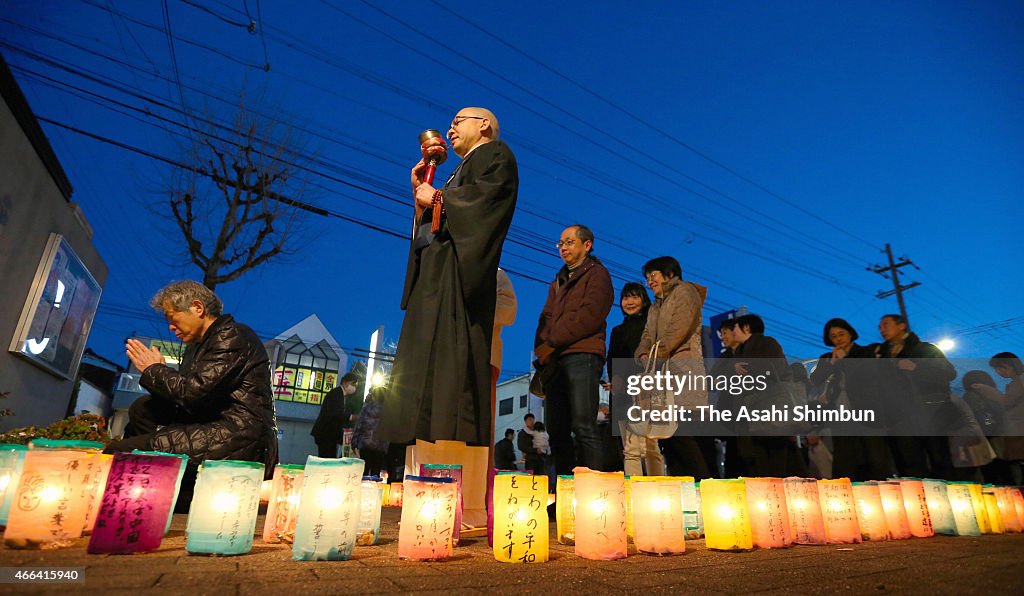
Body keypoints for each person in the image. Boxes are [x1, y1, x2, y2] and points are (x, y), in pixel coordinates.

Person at [380, 107, 518, 446]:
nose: (450, 129)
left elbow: (486, 203)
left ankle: (448, 460)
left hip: (456, 279)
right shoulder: (457, 169)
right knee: (423, 370)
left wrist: (440, 198)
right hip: (436, 277)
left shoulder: (495, 155)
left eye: (457, 122)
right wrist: (421, 201)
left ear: (484, 124)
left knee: (450, 370)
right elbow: (435, 227)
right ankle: (418, 451)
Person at [109, 280, 278, 483]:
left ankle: (142, 479)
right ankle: (146, 477)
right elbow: (190, 395)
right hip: (213, 425)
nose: (171, 327)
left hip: (238, 435)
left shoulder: (231, 335)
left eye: (172, 318)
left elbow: (192, 394)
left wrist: (155, 370)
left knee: (116, 452)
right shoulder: (202, 344)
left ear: (197, 308)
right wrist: (159, 373)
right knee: (142, 408)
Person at [533, 224, 614, 474]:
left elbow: (590, 315)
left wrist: (553, 340)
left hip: (583, 354)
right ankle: (565, 496)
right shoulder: (558, 280)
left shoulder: (597, 274)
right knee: (557, 431)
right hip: (555, 360)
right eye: (561, 243)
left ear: (586, 245)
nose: (563, 248)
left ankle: (594, 494)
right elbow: (545, 318)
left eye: (569, 242)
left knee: (583, 425)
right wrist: (542, 348)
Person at [634, 256, 710, 479]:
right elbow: (647, 336)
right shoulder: (656, 305)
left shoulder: (685, 292)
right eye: (647, 277)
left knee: (682, 431)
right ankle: (683, 488)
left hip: (683, 369)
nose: (650, 281)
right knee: (669, 437)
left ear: (669, 274)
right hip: (662, 373)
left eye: (653, 275)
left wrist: (654, 355)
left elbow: (679, 329)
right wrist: (643, 354)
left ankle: (702, 484)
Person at [875, 314, 956, 479]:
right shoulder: (881, 355)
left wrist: (916, 368)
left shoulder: (924, 349)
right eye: (880, 327)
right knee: (909, 463)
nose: (882, 330)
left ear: (902, 325)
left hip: (929, 412)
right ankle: (919, 500)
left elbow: (948, 373)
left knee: (939, 458)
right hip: (899, 418)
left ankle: (946, 496)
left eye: (886, 324)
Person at [809, 318, 891, 481]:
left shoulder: (865, 352)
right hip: (840, 412)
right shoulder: (826, 357)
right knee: (845, 458)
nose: (838, 339)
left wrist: (844, 361)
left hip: (866, 409)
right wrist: (832, 363)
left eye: (842, 334)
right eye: (833, 336)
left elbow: (867, 376)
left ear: (850, 333)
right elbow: (816, 379)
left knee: (874, 456)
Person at [733, 313, 807, 477]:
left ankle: (777, 494)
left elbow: (778, 371)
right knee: (759, 458)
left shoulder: (767, 343)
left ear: (746, 327)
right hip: (753, 410)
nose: (733, 332)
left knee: (775, 456)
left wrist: (748, 372)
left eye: (736, 328)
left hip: (770, 406)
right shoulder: (740, 350)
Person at [606, 282, 653, 474]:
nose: (630, 302)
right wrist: (614, 379)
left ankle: (657, 488)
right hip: (622, 392)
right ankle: (634, 488)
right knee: (629, 447)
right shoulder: (617, 330)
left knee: (650, 446)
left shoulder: (651, 325)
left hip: (647, 389)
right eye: (626, 298)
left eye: (635, 297)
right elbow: (611, 358)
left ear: (644, 300)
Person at [490, 268, 517, 461]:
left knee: (480, 424)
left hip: (485, 355)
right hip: (445, 354)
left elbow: (508, 311)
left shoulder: (495, 272)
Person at [311, 372, 359, 458]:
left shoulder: (340, 394)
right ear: (344, 382)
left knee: (329, 458)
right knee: (327, 459)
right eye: (352, 384)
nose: (354, 387)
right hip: (326, 434)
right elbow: (335, 413)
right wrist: (351, 417)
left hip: (329, 434)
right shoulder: (336, 394)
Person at [351, 386, 390, 477]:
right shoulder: (389, 411)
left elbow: (359, 426)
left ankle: (363, 489)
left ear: (374, 396)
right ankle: (374, 489)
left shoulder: (366, 408)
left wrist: (354, 443)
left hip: (366, 445)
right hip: (381, 447)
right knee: (376, 474)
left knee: (364, 472)